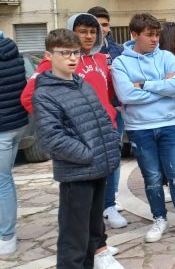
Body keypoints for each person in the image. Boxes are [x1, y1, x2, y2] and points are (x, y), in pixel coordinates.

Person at [21, 14, 126, 231]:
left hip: (106, 129)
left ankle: (109, 207)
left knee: (110, 173)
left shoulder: (101, 59)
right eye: (82, 32)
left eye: (93, 32)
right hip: (80, 137)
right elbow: (29, 97)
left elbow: (107, 91)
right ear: (72, 33)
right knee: (82, 198)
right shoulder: (55, 63)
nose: (88, 36)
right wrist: (60, 126)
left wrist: (111, 110)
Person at [32, 29, 122, 269]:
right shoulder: (45, 94)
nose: (72, 58)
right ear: (49, 56)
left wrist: (111, 143)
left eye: (75, 53)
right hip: (77, 174)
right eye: (64, 53)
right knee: (74, 240)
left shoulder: (81, 84)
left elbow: (102, 117)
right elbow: (52, 139)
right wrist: (88, 154)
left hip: (97, 169)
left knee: (93, 234)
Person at [112, 13, 175, 243]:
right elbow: (126, 95)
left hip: (169, 124)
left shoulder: (166, 56)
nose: (155, 39)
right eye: (149, 35)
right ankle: (159, 219)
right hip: (139, 128)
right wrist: (162, 89)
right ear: (134, 35)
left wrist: (144, 84)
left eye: (156, 35)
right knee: (152, 177)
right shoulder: (121, 63)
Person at [87, 6, 126, 223]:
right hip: (88, 116)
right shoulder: (78, 53)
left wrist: (119, 104)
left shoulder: (117, 50)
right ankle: (97, 202)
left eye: (104, 24)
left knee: (113, 156)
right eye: (96, 25)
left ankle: (111, 199)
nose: (101, 29)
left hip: (114, 112)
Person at [0, 33, 28, 255]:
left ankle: (7, 236)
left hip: (2, 129)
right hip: (17, 125)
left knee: (2, 181)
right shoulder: (12, 51)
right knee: (5, 178)